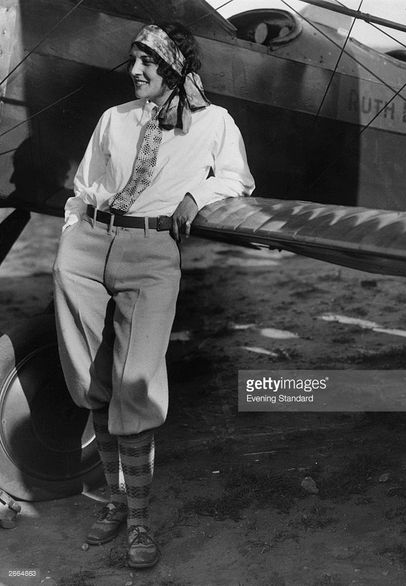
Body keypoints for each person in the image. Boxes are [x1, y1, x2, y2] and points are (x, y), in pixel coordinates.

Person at [53, 22, 254, 569]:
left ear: (174, 66)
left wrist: (198, 194)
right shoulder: (112, 119)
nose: (135, 71)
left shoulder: (213, 121)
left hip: (151, 250)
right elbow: (85, 185)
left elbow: (238, 178)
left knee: (134, 385)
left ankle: (140, 522)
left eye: (148, 62)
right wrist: (74, 234)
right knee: (92, 383)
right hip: (86, 250)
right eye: (132, 60)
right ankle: (115, 505)